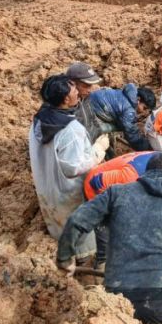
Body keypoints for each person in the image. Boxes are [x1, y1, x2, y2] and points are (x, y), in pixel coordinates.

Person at [56, 153, 162, 324]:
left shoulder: (117, 192)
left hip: (118, 294)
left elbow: (77, 220)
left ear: (147, 171)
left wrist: (64, 259)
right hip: (161, 296)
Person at [29, 75, 108, 259]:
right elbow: (73, 168)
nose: (78, 93)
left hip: (47, 186)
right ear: (65, 99)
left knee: (58, 222)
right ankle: (83, 259)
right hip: (69, 192)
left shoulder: (39, 120)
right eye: (74, 91)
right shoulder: (71, 130)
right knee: (82, 235)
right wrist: (97, 151)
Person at [66, 62, 156, 153]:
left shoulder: (125, 95)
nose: (90, 90)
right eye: (144, 108)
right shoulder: (129, 110)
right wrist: (148, 149)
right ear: (139, 99)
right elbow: (132, 134)